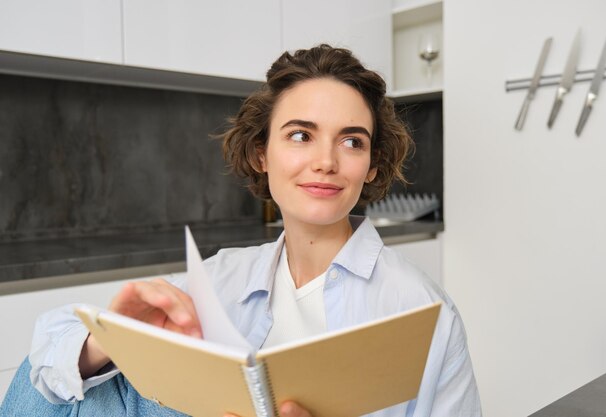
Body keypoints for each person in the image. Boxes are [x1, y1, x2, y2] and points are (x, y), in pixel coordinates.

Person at [1, 44, 482, 417]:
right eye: (300, 135)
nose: (325, 162)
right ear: (261, 154)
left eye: (351, 142)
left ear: (372, 166)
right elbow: (44, 360)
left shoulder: (423, 313)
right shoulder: (222, 277)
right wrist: (112, 340)